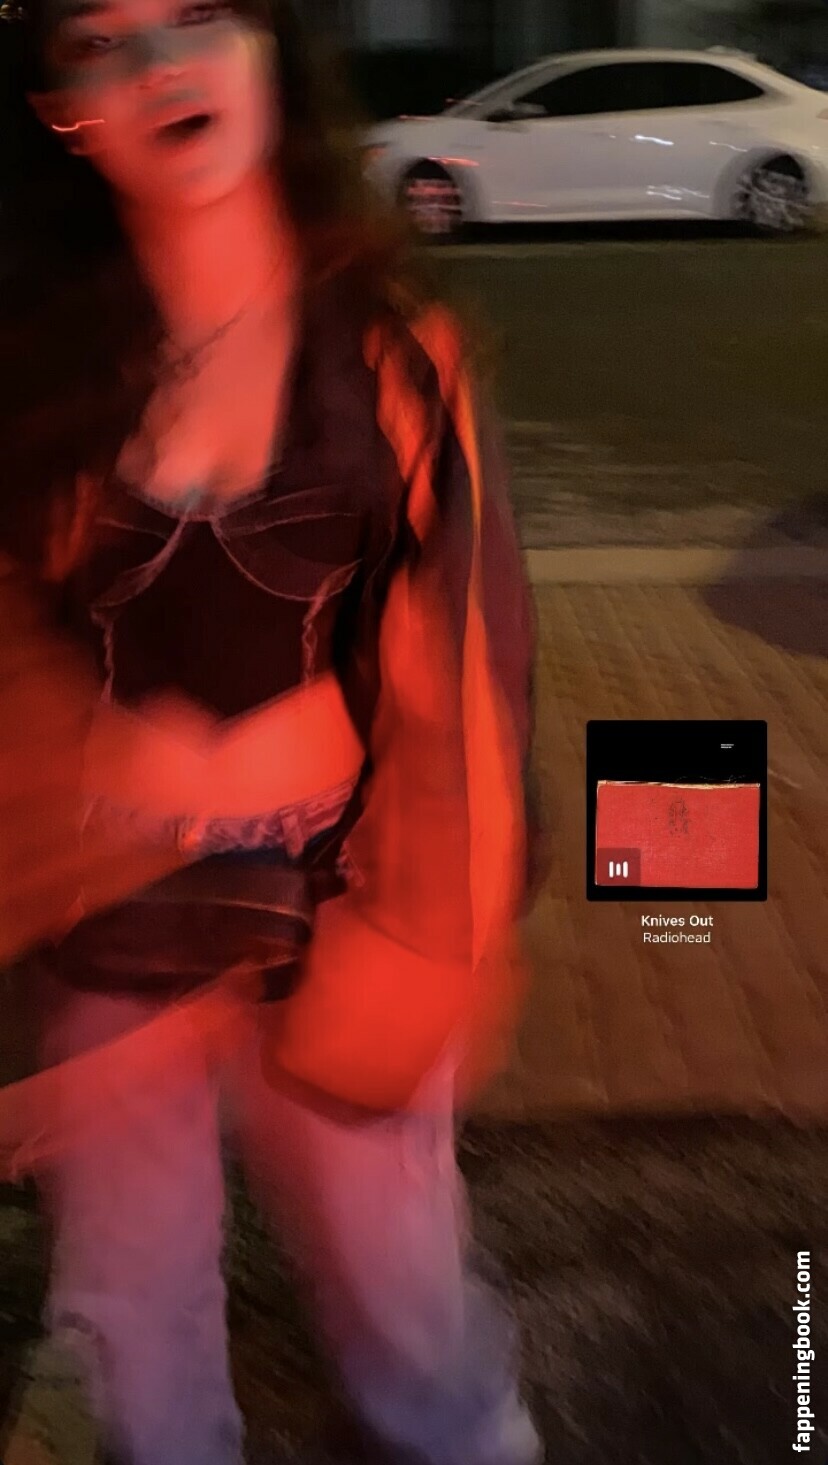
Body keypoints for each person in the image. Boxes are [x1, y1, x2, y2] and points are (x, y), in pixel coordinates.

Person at [0, 0, 545, 1461]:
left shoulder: (396, 355)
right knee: (133, 1319)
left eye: (199, 18)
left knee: (404, 1295)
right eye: (103, 41)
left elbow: (468, 671)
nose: (161, 68)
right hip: (108, 909)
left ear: (268, 57)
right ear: (59, 112)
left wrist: (420, 936)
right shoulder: (37, 372)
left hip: (341, 893)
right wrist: (57, 890)